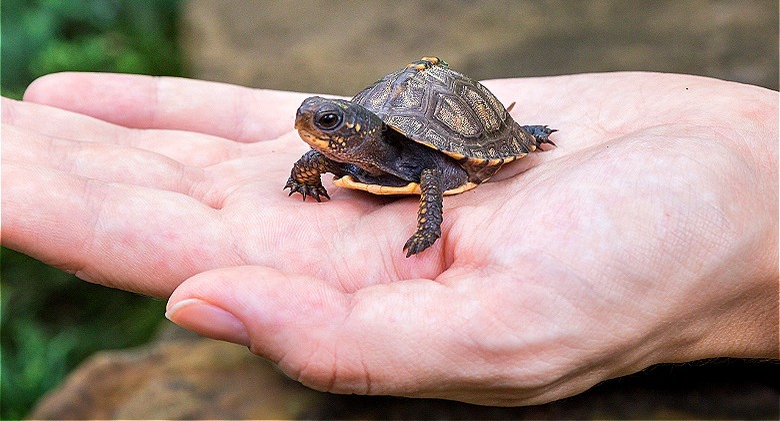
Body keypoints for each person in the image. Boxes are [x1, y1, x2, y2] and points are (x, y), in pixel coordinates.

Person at [1, 71, 777, 406]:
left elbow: (435, 175)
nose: (317, 131)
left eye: (330, 126)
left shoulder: (409, 155)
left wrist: (428, 224)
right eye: (318, 125)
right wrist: (307, 176)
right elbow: (321, 152)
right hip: (390, 144)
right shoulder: (341, 148)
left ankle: (519, 129)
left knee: (459, 157)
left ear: (358, 129)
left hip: (448, 137)